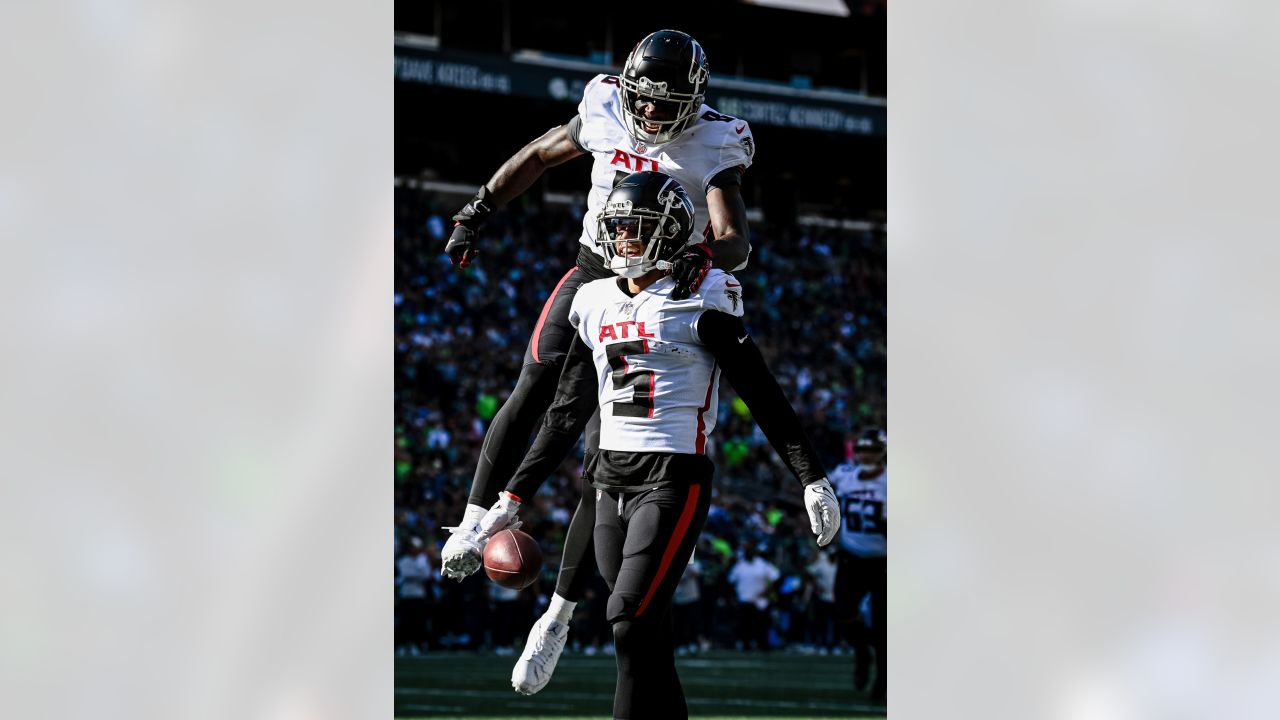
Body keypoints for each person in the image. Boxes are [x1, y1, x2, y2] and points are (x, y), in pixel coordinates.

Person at [437, 28, 759, 692]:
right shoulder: (605, 103)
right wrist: (479, 209)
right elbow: (541, 153)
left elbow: (733, 238)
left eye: (664, 103)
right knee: (536, 379)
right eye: (642, 100)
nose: (648, 114)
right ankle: (476, 518)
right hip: (595, 270)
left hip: (661, 292)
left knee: (605, 462)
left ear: (695, 99)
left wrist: (704, 254)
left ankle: (556, 616)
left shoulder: (713, 140)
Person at [473, 171, 841, 717]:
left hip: (672, 479)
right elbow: (566, 412)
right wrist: (512, 496)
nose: (622, 240)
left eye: (635, 229)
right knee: (646, 642)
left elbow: (762, 392)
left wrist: (811, 476)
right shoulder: (593, 300)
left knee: (627, 618)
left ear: (669, 233)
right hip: (607, 484)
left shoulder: (702, 296)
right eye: (616, 228)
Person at [833, 428, 888, 701]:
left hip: (885, 562)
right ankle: (862, 653)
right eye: (862, 450)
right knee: (843, 613)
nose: (866, 456)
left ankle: (883, 681)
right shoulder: (844, 476)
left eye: (872, 451)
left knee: (884, 625)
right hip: (851, 556)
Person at [728, 543, 780, 651]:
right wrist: (732, 597)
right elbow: (731, 581)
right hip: (744, 600)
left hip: (759, 601)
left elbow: (776, 577)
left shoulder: (762, 564)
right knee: (745, 625)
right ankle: (746, 645)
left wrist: (767, 592)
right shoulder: (740, 565)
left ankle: (763, 645)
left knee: (761, 625)